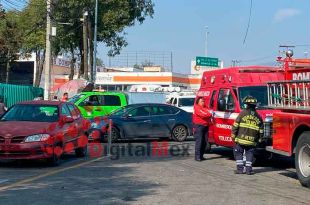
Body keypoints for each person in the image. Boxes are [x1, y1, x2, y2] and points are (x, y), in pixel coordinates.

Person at [231, 96, 264, 175]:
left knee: (238, 153)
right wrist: (259, 139)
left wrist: (233, 135)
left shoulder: (242, 113)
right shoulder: (258, 117)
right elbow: (261, 130)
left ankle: (240, 169)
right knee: (250, 154)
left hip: (241, 139)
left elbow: (235, 125)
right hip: (252, 141)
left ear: (247, 105)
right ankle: (249, 170)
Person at [193, 97, 213, 161]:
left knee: (204, 141)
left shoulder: (205, 107)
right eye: (201, 101)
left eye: (203, 101)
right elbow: (203, 114)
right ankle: (197, 156)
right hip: (199, 126)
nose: (203, 102)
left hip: (206, 125)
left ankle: (201, 155)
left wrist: (208, 114)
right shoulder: (197, 107)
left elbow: (210, 112)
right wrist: (209, 114)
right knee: (199, 141)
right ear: (198, 102)